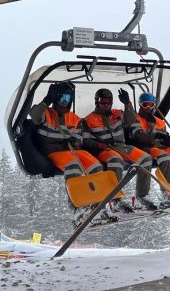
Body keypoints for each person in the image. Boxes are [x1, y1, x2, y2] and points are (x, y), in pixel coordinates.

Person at [30, 81, 117, 226]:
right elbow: (34, 116)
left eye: (68, 99)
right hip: (52, 151)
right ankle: (78, 208)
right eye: (61, 98)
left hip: (70, 149)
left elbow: (78, 136)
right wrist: (46, 100)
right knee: (73, 167)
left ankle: (98, 206)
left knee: (96, 167)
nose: (64, 103)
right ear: (55, 99)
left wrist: (76, 141)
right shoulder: (46, 113)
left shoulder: (74, 118)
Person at [79, 88, 154, 212]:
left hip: (121, 146)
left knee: (146, 159)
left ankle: (142, 195)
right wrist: (100, 145)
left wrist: (127, 104)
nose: (106, 104)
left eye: (109, 101)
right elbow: (86, 141)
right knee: (116, 160)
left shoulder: (117, 113)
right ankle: (115, 198)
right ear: (96, 102)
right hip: (104, 150)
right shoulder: (88, 120)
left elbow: (131, 120)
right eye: (103, 101)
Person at [124, 91, 170, 208]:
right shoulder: (136, 119)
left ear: (154, 105)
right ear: (140, 105)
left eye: (151, 105)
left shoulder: (159, 121)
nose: (148, 108)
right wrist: (158, 137)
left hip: (161, 146)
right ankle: (167, 194)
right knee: (165, 159)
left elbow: (163, 137)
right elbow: (140, 137)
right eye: (145, 105)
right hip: (147, 147)